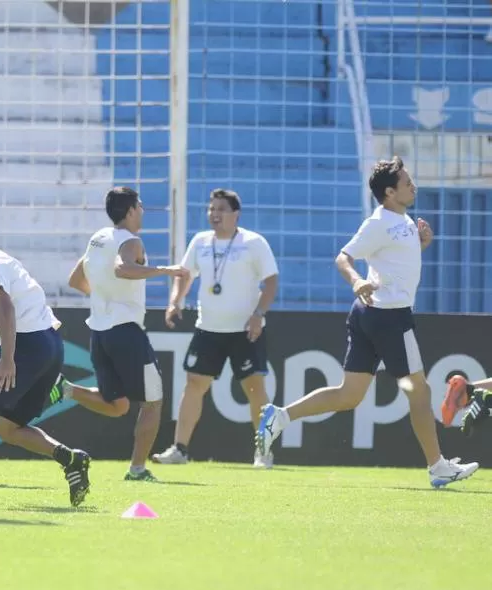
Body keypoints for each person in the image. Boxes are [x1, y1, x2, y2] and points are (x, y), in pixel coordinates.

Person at [257, 157, 479, 487]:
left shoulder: (402, 220)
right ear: (390, 192)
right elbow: (343, 257)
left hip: (370, 316)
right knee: (420, 392)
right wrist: (357, 281)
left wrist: (421, 244)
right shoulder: (378, 222)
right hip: (389, 318)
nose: (412, 184)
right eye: (406, 182)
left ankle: (281, 415)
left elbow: (394, 257)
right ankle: (437, 467)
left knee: (349, 395)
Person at [60, 187, 188, 482]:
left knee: (117, 405)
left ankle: (66, 390)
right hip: (126, 332)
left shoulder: (98, 238)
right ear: (130, 210)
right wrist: (166, 270)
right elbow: (122, 269)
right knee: (153, 402)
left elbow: (75, 279)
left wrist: (105, 297)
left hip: (100, 333)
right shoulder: (131, 241)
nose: (142, 211)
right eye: (140, 206)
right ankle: (137, 469)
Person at [0, 246, 91, 507]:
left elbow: (5, 306)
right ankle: (70, 459)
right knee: (5, 427)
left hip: (25, 344)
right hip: (49, 343)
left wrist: (7, 359)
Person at [152, 189, 278, 469]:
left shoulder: (253, 242)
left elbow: (271, 281)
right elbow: (185, 274)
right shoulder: (200, 242)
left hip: (245, 330)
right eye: (211, 209)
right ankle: (180, 449)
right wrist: (175, 301)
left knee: (255, 389)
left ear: (236, 214)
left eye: (221, 209)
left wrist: (259, 314)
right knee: (194, 385)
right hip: (208, 328)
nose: (214, 214)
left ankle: (264, 452)